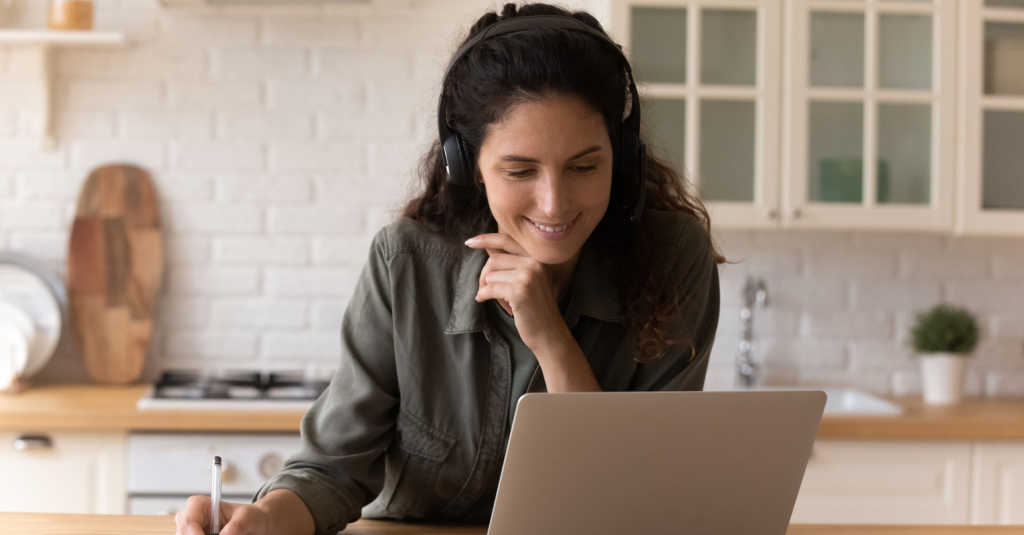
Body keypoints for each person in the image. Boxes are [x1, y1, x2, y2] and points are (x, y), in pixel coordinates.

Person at [174, 3, 722, 535]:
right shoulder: (405, 264)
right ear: (470, 167)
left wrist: (551, 337)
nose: (554, 203)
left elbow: (631, 500)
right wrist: (264, 521)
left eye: (584, 166)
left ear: (622, 156)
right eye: (520, 170)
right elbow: (332, 469)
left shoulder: (674, 258)